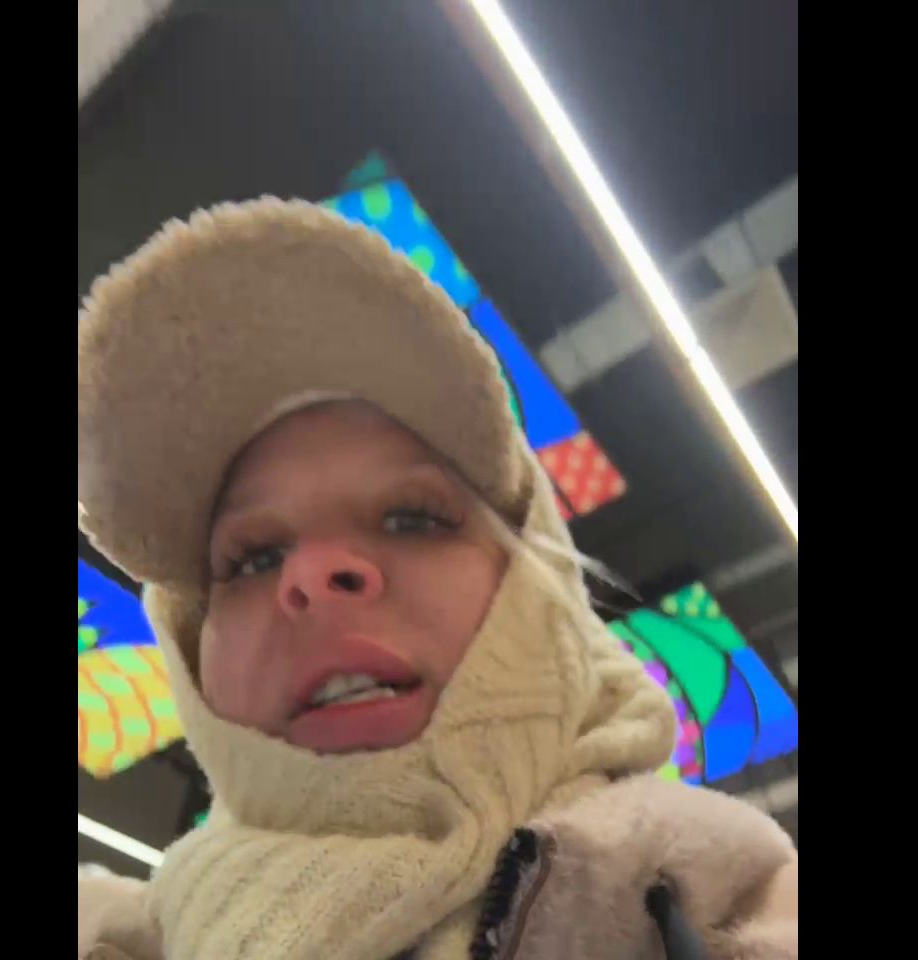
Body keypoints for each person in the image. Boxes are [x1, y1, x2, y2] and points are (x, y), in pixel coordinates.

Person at [77, 199, 798, 960]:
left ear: (540, 595)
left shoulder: (732, 893)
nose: (313, 573)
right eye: (252, 558)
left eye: (411, 518)